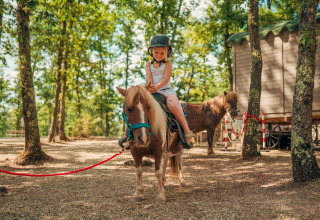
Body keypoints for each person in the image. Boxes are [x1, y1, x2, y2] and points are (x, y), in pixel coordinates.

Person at [146, 34, 193, 149]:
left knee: (173, 104)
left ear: (167, 53)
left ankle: (187, 131)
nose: (159, 55)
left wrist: (157, 87)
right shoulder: (148, 64)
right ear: (151, 51)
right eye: (156, 52)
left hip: (166, 91)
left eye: (162, 53)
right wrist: (151, 86)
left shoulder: (168, 64)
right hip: (152, 90)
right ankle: (129, 135)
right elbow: (148, 78)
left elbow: (166, 78)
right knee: (138, 104)